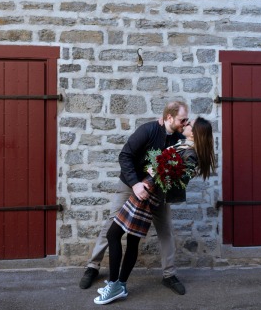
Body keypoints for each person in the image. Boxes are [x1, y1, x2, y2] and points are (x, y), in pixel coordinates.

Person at [94, 117, 216, 305]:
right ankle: (120, 285)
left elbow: (179, 181)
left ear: (195, 132)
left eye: (189, 124)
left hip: (147, 194)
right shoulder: (184, 145)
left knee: (113, 234)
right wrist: (157, 168)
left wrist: (157, 171)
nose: (186, 124)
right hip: (145, 190)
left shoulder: (190, 153)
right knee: (130, 239)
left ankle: (114, 285)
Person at [80, 101, 190, 295]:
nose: (185, 122)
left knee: (165, 230)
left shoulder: (180, 139)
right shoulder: (147, 130)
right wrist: (135, 184)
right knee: (111, 225)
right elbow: (125, 156)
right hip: (129, 185)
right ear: (169, 117)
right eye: (183, 119)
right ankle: (93, 266)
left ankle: (169, 275)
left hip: (156, 191)